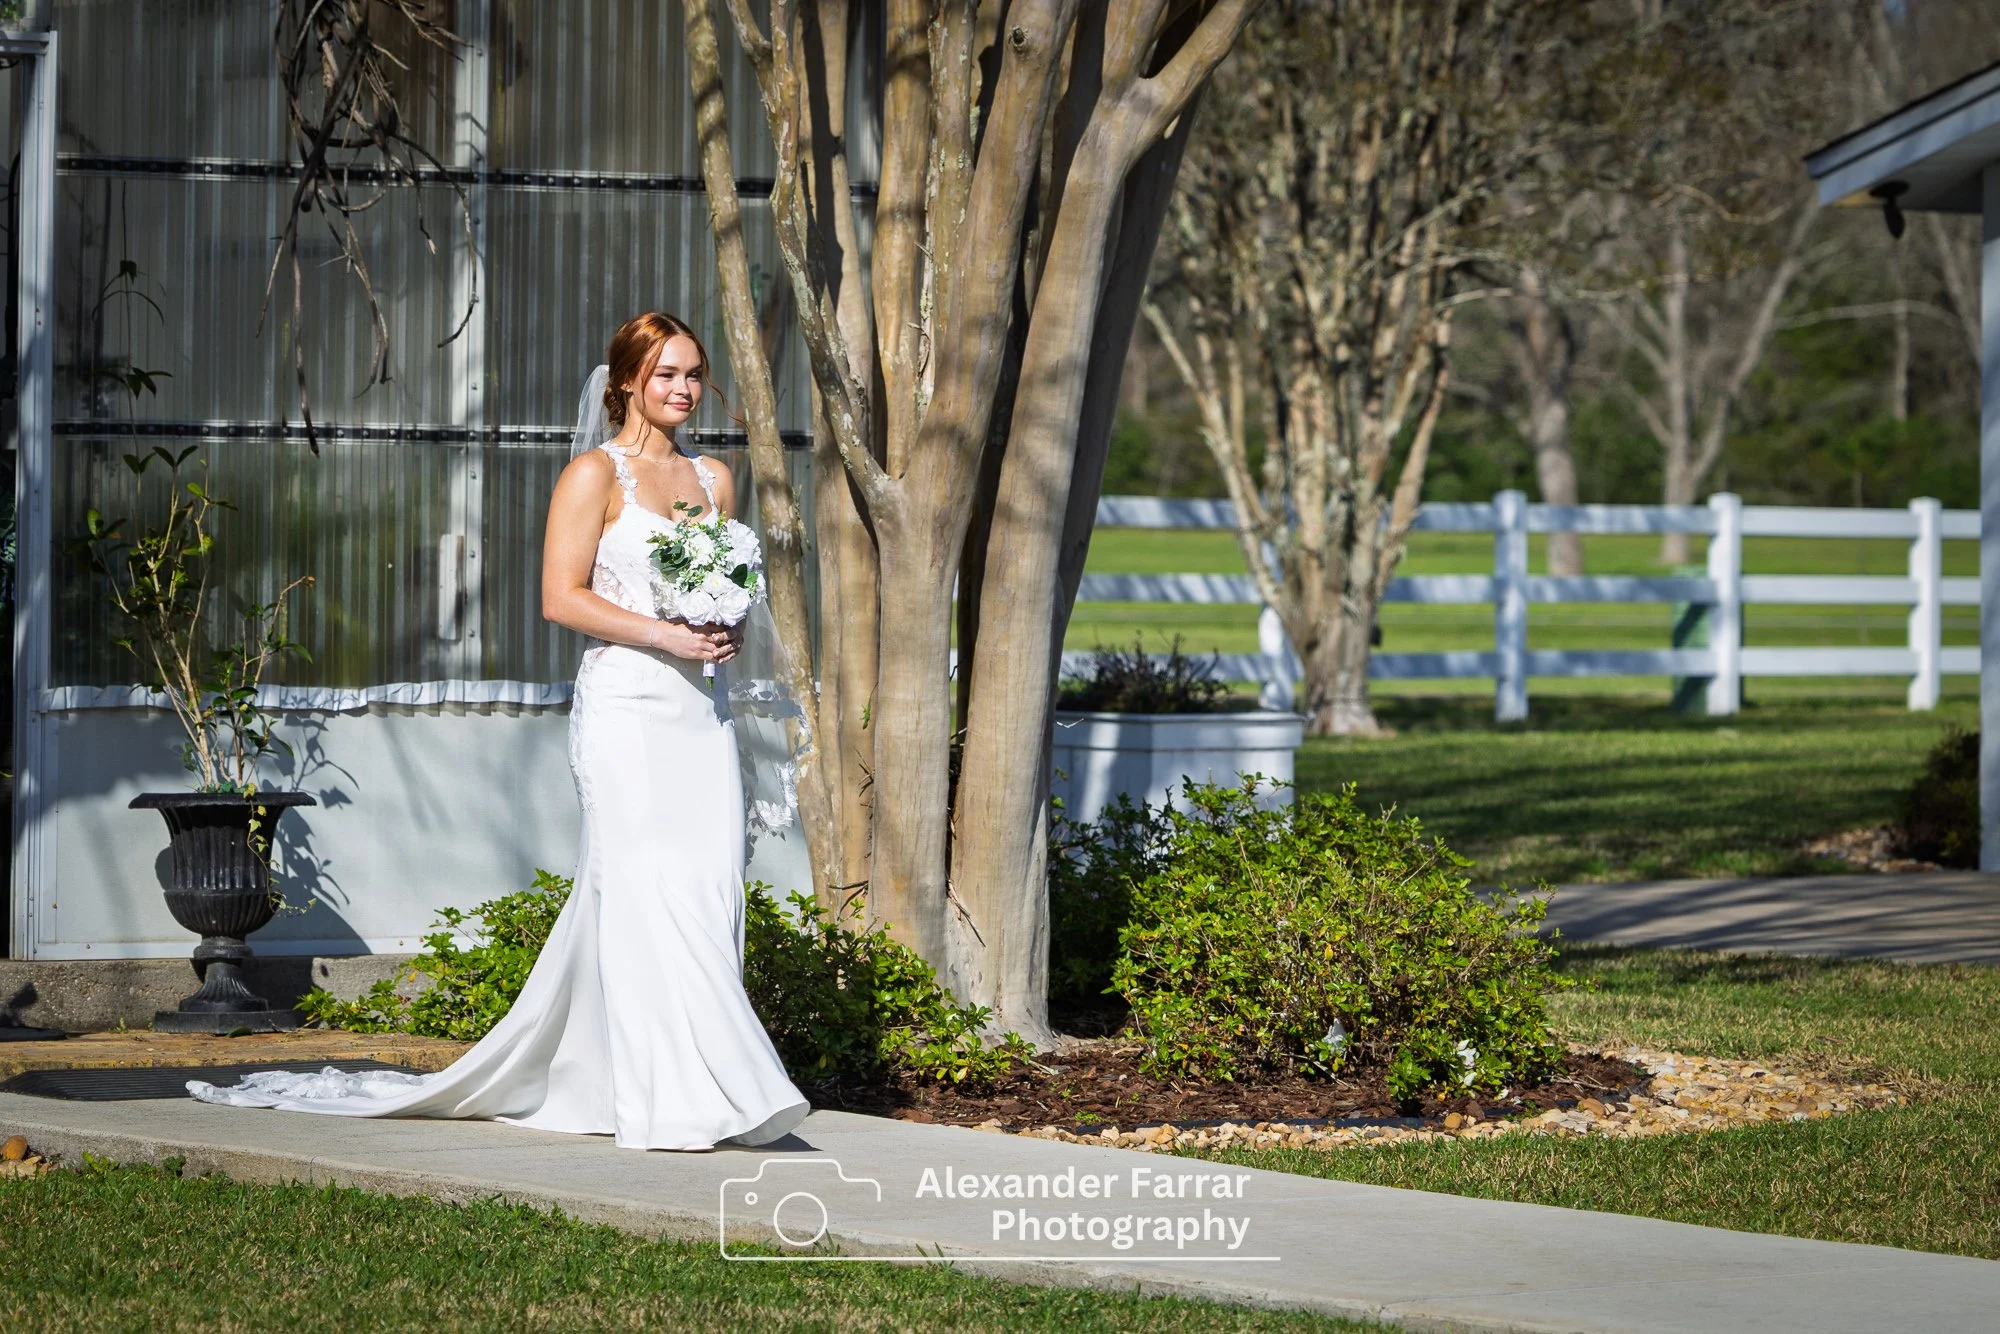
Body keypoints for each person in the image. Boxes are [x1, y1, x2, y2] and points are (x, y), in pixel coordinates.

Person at [187, 312, 810, 1151]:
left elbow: (727, 588)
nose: (685, 389)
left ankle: (662, 1082)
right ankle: (670, 1100)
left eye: (694, 373)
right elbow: (561, 597)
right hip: (629, 709)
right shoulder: (594, 475)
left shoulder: (715, 479)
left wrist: (720, 624)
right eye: (666, 374)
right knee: (642, 890)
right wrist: (665, 633)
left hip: (702, 714)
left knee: (706, 888)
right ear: (627, 380)